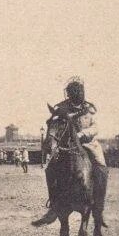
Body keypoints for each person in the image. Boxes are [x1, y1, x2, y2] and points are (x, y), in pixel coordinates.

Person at [35, 77, 108, 222]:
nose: (75, 95)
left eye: (77, 92)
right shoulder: (62, 107)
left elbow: (95, 127)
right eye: (72, 92)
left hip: (89, 145)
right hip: (66, 146)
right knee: (50, 169)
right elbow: (55, 124)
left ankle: (98, 208)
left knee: (101, 169)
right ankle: (54, 205)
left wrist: (82, 134)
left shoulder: (89, 108)